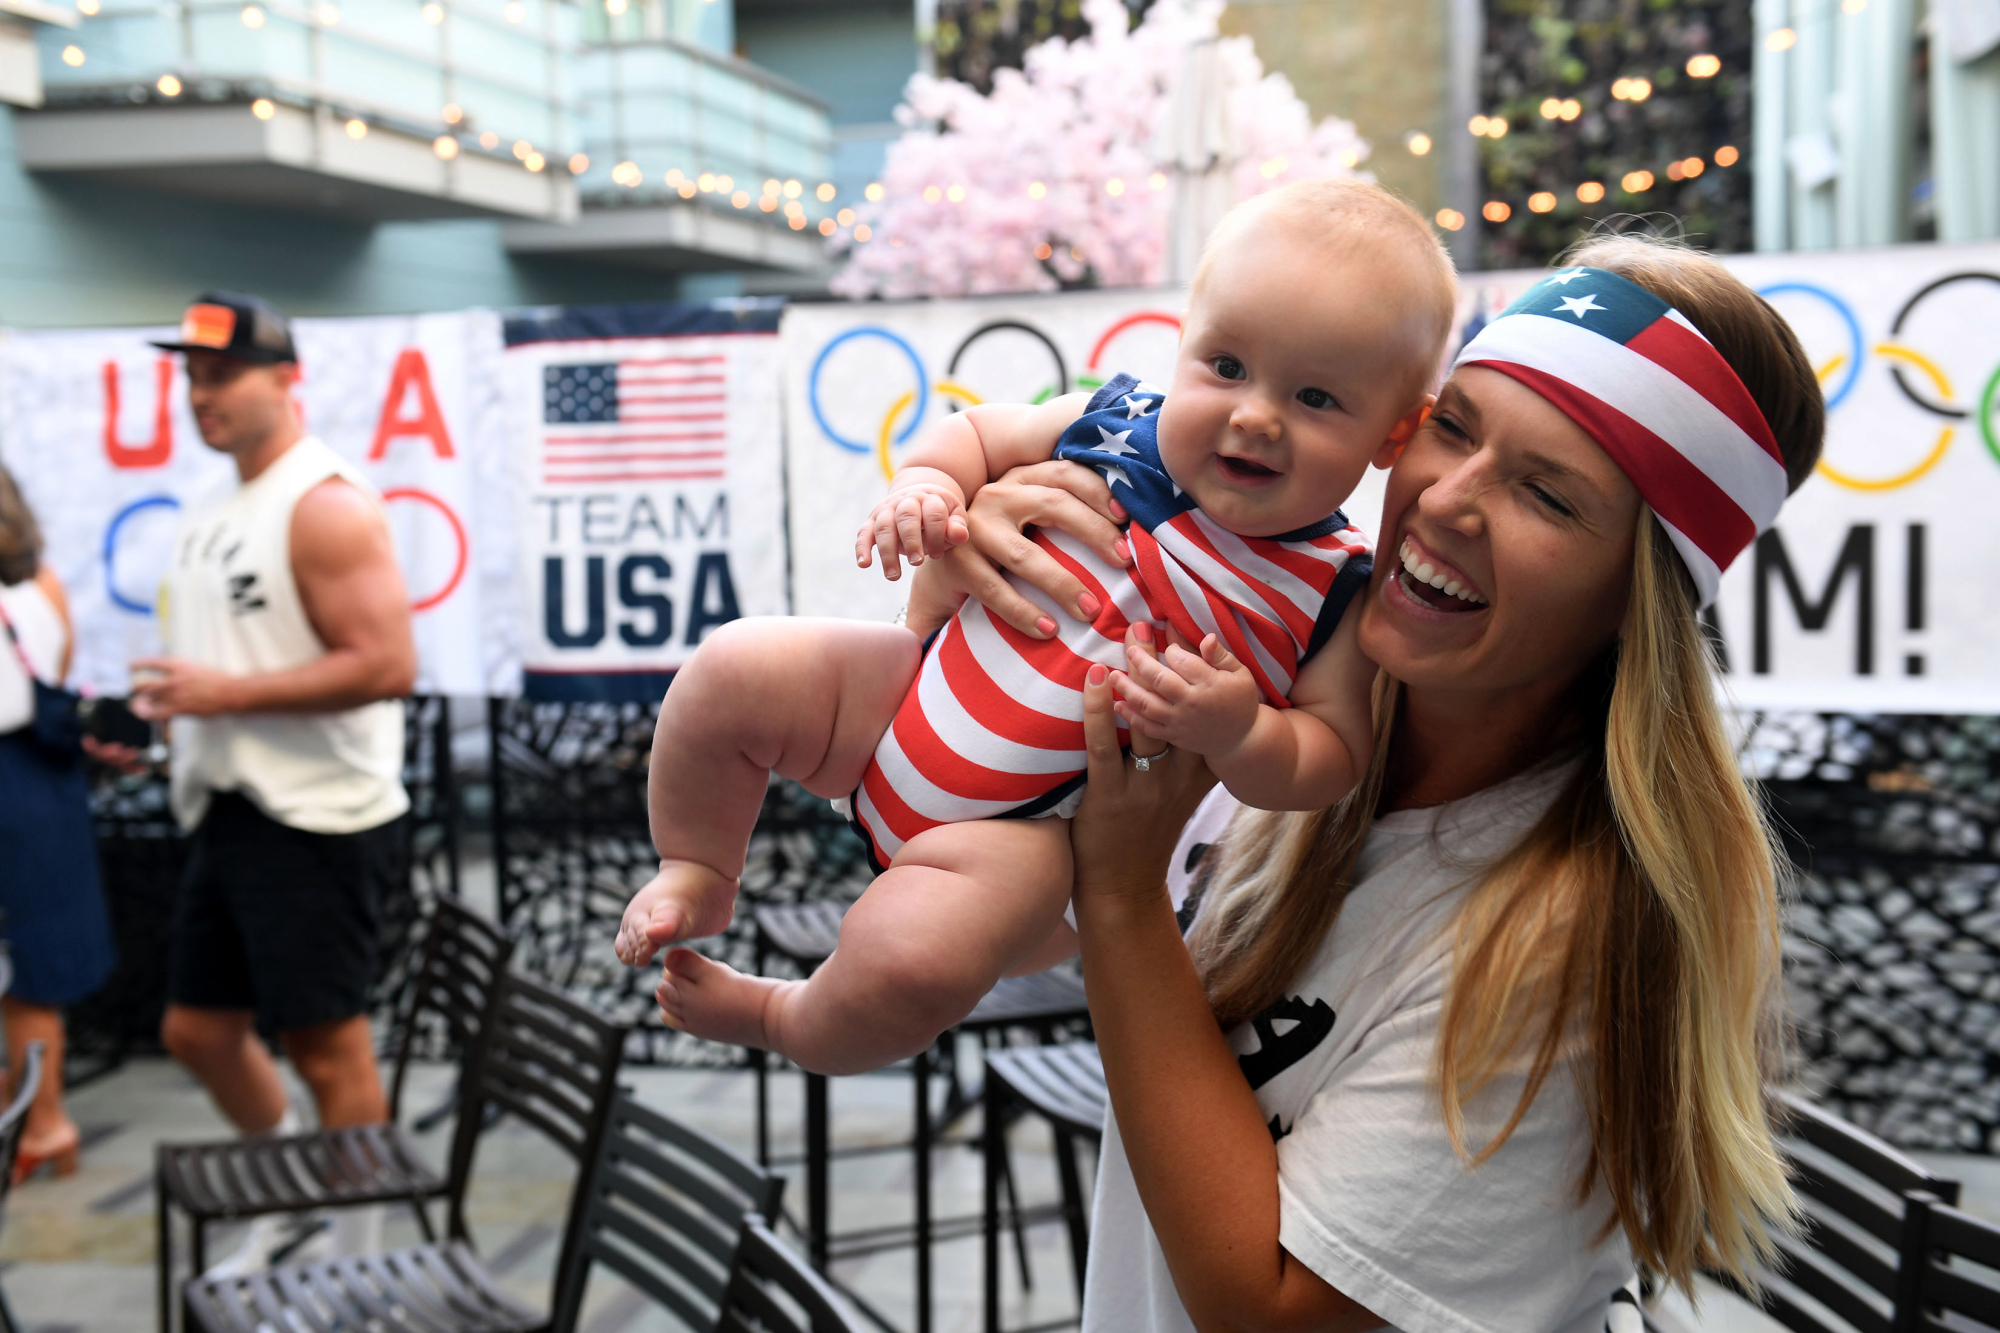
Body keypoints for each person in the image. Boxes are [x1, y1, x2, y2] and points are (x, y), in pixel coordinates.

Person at [919, 235, 1822, 1327]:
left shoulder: (1562, 937)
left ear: (1636, 595)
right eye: (1452, 427)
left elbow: (1270, 1313)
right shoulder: (1277, 687)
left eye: (1547, 493)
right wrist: (980, 573)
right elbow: (992, 876)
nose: (1446, 500)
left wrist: (1118, 896)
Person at [622, 180, 1458, 1075]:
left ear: (1393, 436)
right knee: (732, 666)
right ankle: (700, 868)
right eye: (1226, 367)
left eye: (1316, 398)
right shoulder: (1119, 422)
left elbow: (1329, 757)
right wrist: (931, 489)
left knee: (913, 968)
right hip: (895, 699)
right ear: (1181, 348)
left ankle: (789, 1017)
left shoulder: (1331, 589)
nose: (1254, 415)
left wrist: (1243, 729)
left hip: (1018, 840)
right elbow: (980, 433)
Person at [134, 292, 416, 1267]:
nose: (201, 392)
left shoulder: (324, 502)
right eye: (192, 375)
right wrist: (174, 716)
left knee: (329, 1048)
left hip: (319, 818)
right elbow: (227, 661)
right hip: (231, 801)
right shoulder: (222, 503)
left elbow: (387, 664)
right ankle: (290, 1184)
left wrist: (223, 693)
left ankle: (360, 1261)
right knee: (196, 1029)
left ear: (285, 378)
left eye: (223, 373)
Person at [0, 464, 117, 1183]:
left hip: (10, 788)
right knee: (32, 968)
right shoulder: (44, 587)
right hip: (46, 779)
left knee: (20, 974)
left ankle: (43, 1126)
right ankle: (42, 1120)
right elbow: (60, 667)